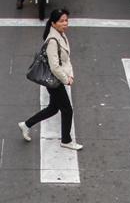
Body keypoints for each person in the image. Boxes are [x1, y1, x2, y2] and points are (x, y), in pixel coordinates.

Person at [17, 8, 83, 151]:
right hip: (55, 80)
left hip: (59, 78)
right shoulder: (53, 40)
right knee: (67, 110)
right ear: (53, 23)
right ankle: (66, 140)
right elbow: (54, 67)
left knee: (53, 108)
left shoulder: (61, 35)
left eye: (66, 20)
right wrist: (67, 79)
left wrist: (70, 73)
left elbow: (66, 59)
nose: (65, 23)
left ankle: (26, 124)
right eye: (61, 21)